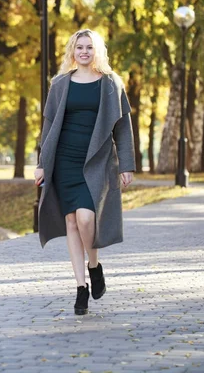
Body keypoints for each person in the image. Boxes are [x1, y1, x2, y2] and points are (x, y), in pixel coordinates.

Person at [34, 29, 136, 315]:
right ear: (72, 51)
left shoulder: (111, 84)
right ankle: (81, 287)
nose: (84, 52)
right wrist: (42, 163)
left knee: (86, 219)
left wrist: (126, 165)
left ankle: (95, 265)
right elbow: (49, 126)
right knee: (70, 221)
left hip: (96, 161)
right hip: (64, 160)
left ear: (97, 51)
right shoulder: (60, 84)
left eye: (89, 47)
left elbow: (123, 128)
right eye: (79, 47)